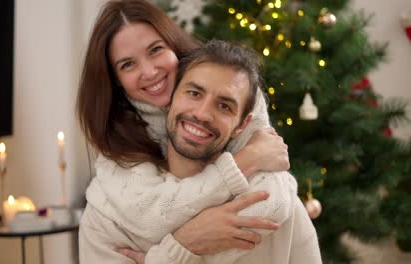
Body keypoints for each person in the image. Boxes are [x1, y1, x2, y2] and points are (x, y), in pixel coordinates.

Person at [77, 0, 291, 262]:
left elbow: (275, 198)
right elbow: (151, 219)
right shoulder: (116, 145)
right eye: (127, 65)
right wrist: (243, 162)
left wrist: (164, 258)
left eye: (155, 50)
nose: (149, 71)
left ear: (173, 44)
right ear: (115, 80)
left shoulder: (234, 86)